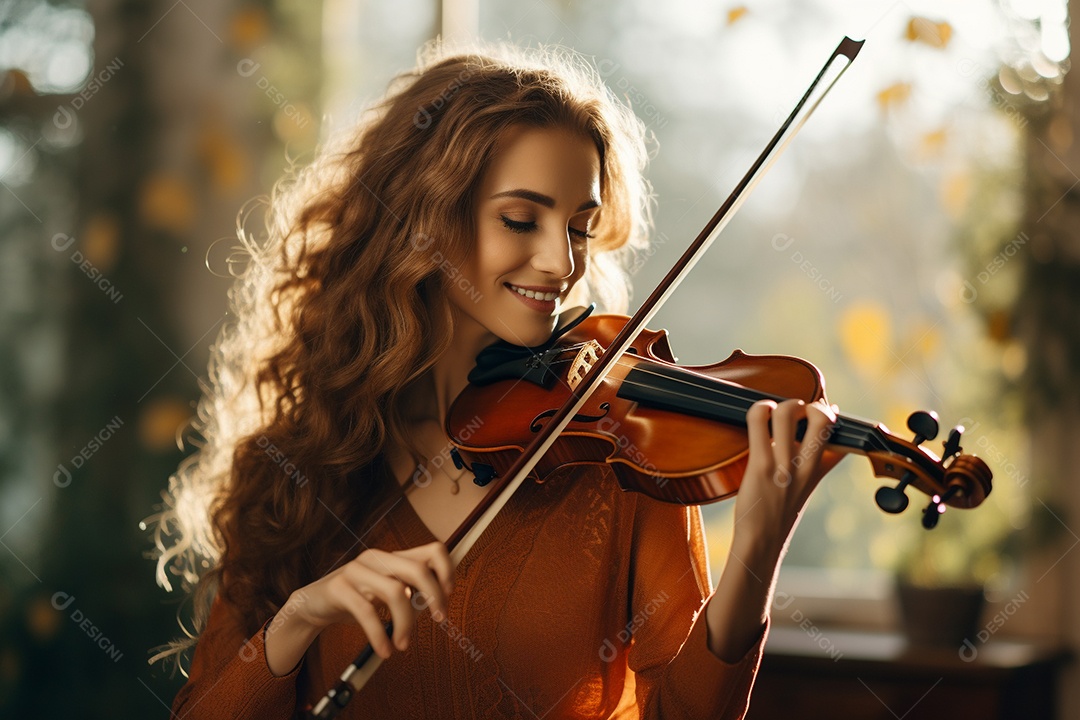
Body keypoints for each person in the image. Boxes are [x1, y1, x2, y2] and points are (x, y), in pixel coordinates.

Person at [152, 40, 841, 719]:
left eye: (579, 227)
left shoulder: (620, 456)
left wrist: (754, 551)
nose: (560, 262)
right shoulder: (299, 461)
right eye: (521, 219)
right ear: (425, 222)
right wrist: (299, 620)